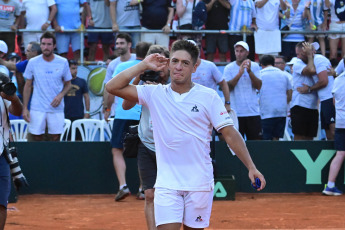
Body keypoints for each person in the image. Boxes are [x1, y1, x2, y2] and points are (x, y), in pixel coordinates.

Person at [105, 39, 266, 229]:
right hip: (166, 185)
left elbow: (230, 133)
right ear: (168, 63)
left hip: (199, 184)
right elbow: (112, 87)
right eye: (175, 61)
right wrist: (143, 65)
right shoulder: (153, 93)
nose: (178, 67)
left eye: (185, 63)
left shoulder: (208, 96)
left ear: (194, 67)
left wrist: (251, 167)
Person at [122, 44, 170, 230]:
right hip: (146, 144)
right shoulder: (142, 84)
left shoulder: (174, 85)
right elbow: (126, 105)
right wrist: (138, 76)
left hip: (168, 147)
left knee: (169, 194)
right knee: (149, 194)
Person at [106, 42, 151, 202]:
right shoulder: (151, 69)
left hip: (122, 114)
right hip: (142, 115)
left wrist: (107, 108)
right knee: (143, 151)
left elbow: (111, 89)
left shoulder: (122, 66)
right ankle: (143, 188)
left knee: (117, 150)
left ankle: (123, 186)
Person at [22, 32, 72, 142]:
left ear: (54, 46)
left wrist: (60, 95)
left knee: (55, 138)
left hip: (56, 107)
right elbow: (27, 85)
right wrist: (25, 107)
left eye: (49, 44)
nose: (46, 47)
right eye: (43, 44)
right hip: (37, 107)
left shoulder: (62, 62)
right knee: (36, 137)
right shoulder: (33, 62)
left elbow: (68, 84)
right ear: (40, 45)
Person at [0, 50, 23, 229]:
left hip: (1, 153)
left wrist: (13, 98)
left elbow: (18, 111)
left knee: (1, 202)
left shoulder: (2, 83)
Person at [224, 41, 263, 140]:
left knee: (256, 143)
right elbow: (227, 88)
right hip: (236, 112)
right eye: (237, 51)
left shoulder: (254, 66)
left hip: (253, 112)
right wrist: (240, 73)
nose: (238, 53)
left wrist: (249, 72)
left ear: (247, 53)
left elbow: (259, 86)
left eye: (241, 51)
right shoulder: (229, 68)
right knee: (236, 144)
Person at [296, 46, 335, 140]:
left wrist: (309, 89)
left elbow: (324, 81)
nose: (298, 57)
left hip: (329, 98)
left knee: (334, 131)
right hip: (324, 100)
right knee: (329, 134)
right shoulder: (313, 60)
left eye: (300, 54)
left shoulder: (319, 59)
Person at [290, 42, 321, 140]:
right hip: (299, 105)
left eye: (312, 50)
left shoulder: (316, 61)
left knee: (310, 138)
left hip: (312, 106)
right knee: (299, 137)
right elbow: (311, 70)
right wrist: (309, 56)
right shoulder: (297, 63)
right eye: (310, 50)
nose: (313, 52)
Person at [103, 33, 136, 120]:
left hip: (136, 108)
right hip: (118, 110)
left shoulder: (138, 60)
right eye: (117, 43)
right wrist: (107, 107)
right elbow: (107, 88)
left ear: (129, 44)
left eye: (122, 43)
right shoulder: (112, 64)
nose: (119, 46)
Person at [322, 71, 345, 195]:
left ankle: (330, 186)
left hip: (341, 122)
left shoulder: (338, 79)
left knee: (340, 153)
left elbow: (334, 102)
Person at [259, 55, 292, 140]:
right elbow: (289, 93)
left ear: (262, 64)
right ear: (273, 63)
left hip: (266, 111)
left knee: (266, 138)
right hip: (281, 111)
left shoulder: (260, 74)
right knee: (276, 138)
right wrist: (285, 103)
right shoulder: (284, 74)